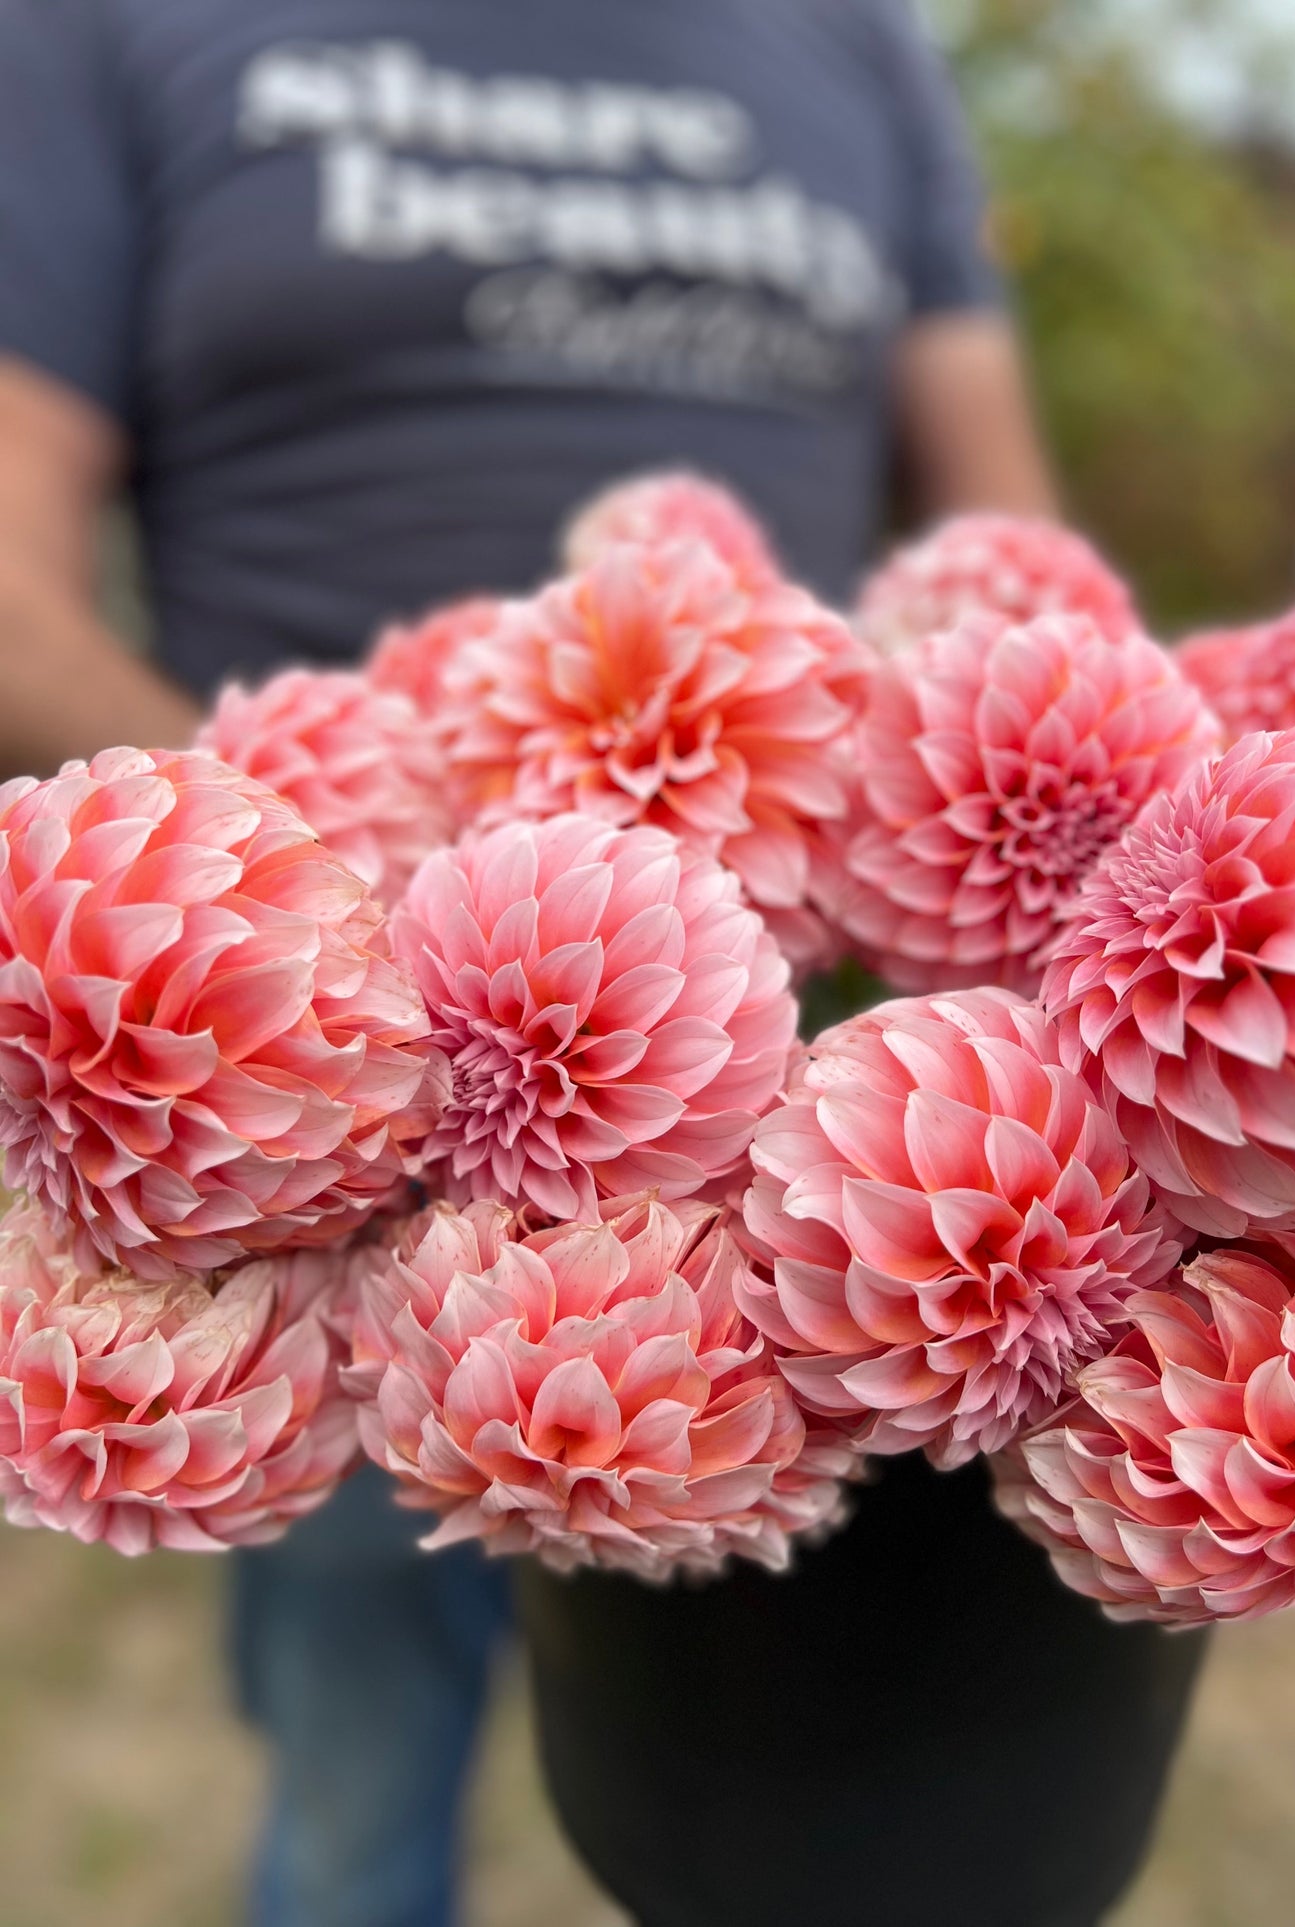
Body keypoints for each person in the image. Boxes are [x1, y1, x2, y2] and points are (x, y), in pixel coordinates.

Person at [0, 5, 1195, 1926]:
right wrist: (271, 938)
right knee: (357, 1741)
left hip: (804, 1045)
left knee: (780, 1814)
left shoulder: (855, 50)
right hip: (292, 1051)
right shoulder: (118, 23)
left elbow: (1002, 521)